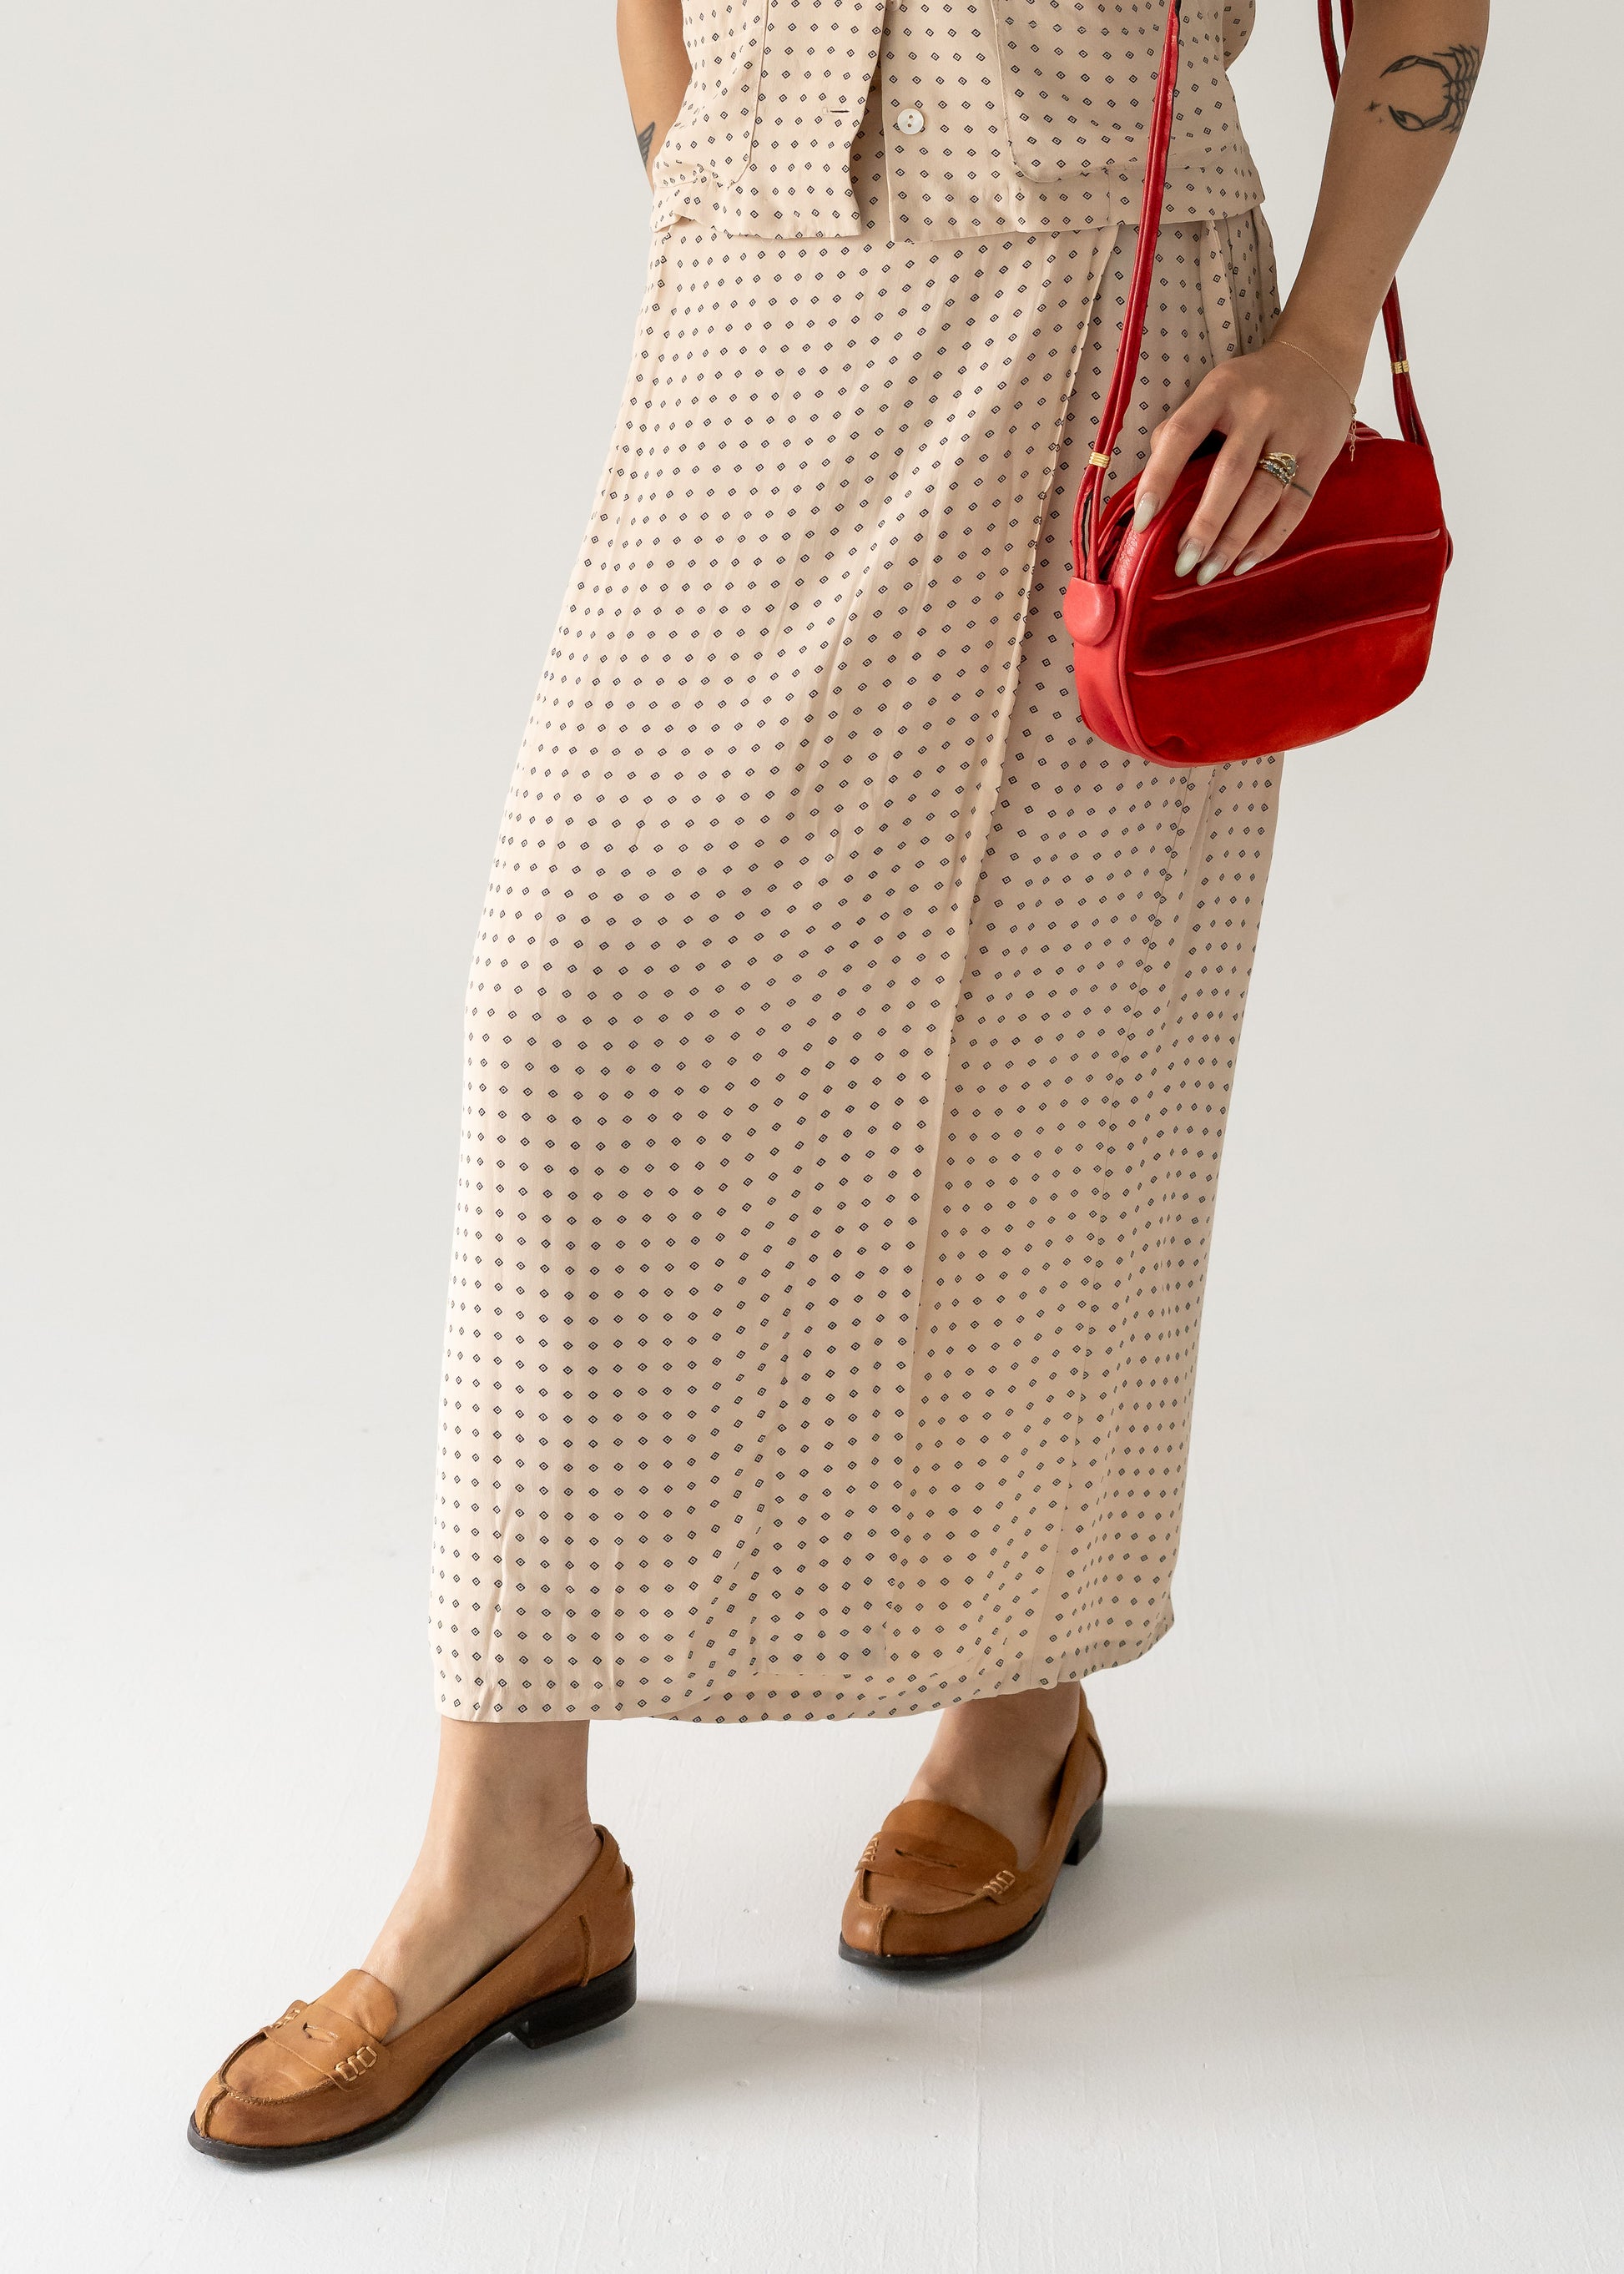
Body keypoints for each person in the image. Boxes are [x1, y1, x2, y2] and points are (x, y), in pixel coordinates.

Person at [189, 0, 1485, 2162]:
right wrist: (679, 140)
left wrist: (1324, 333)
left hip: (1113, 309)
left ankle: (1021, 1707)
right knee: (566, 1008)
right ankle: (509, 1848)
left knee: (1052, 1055)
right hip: (758, 287)